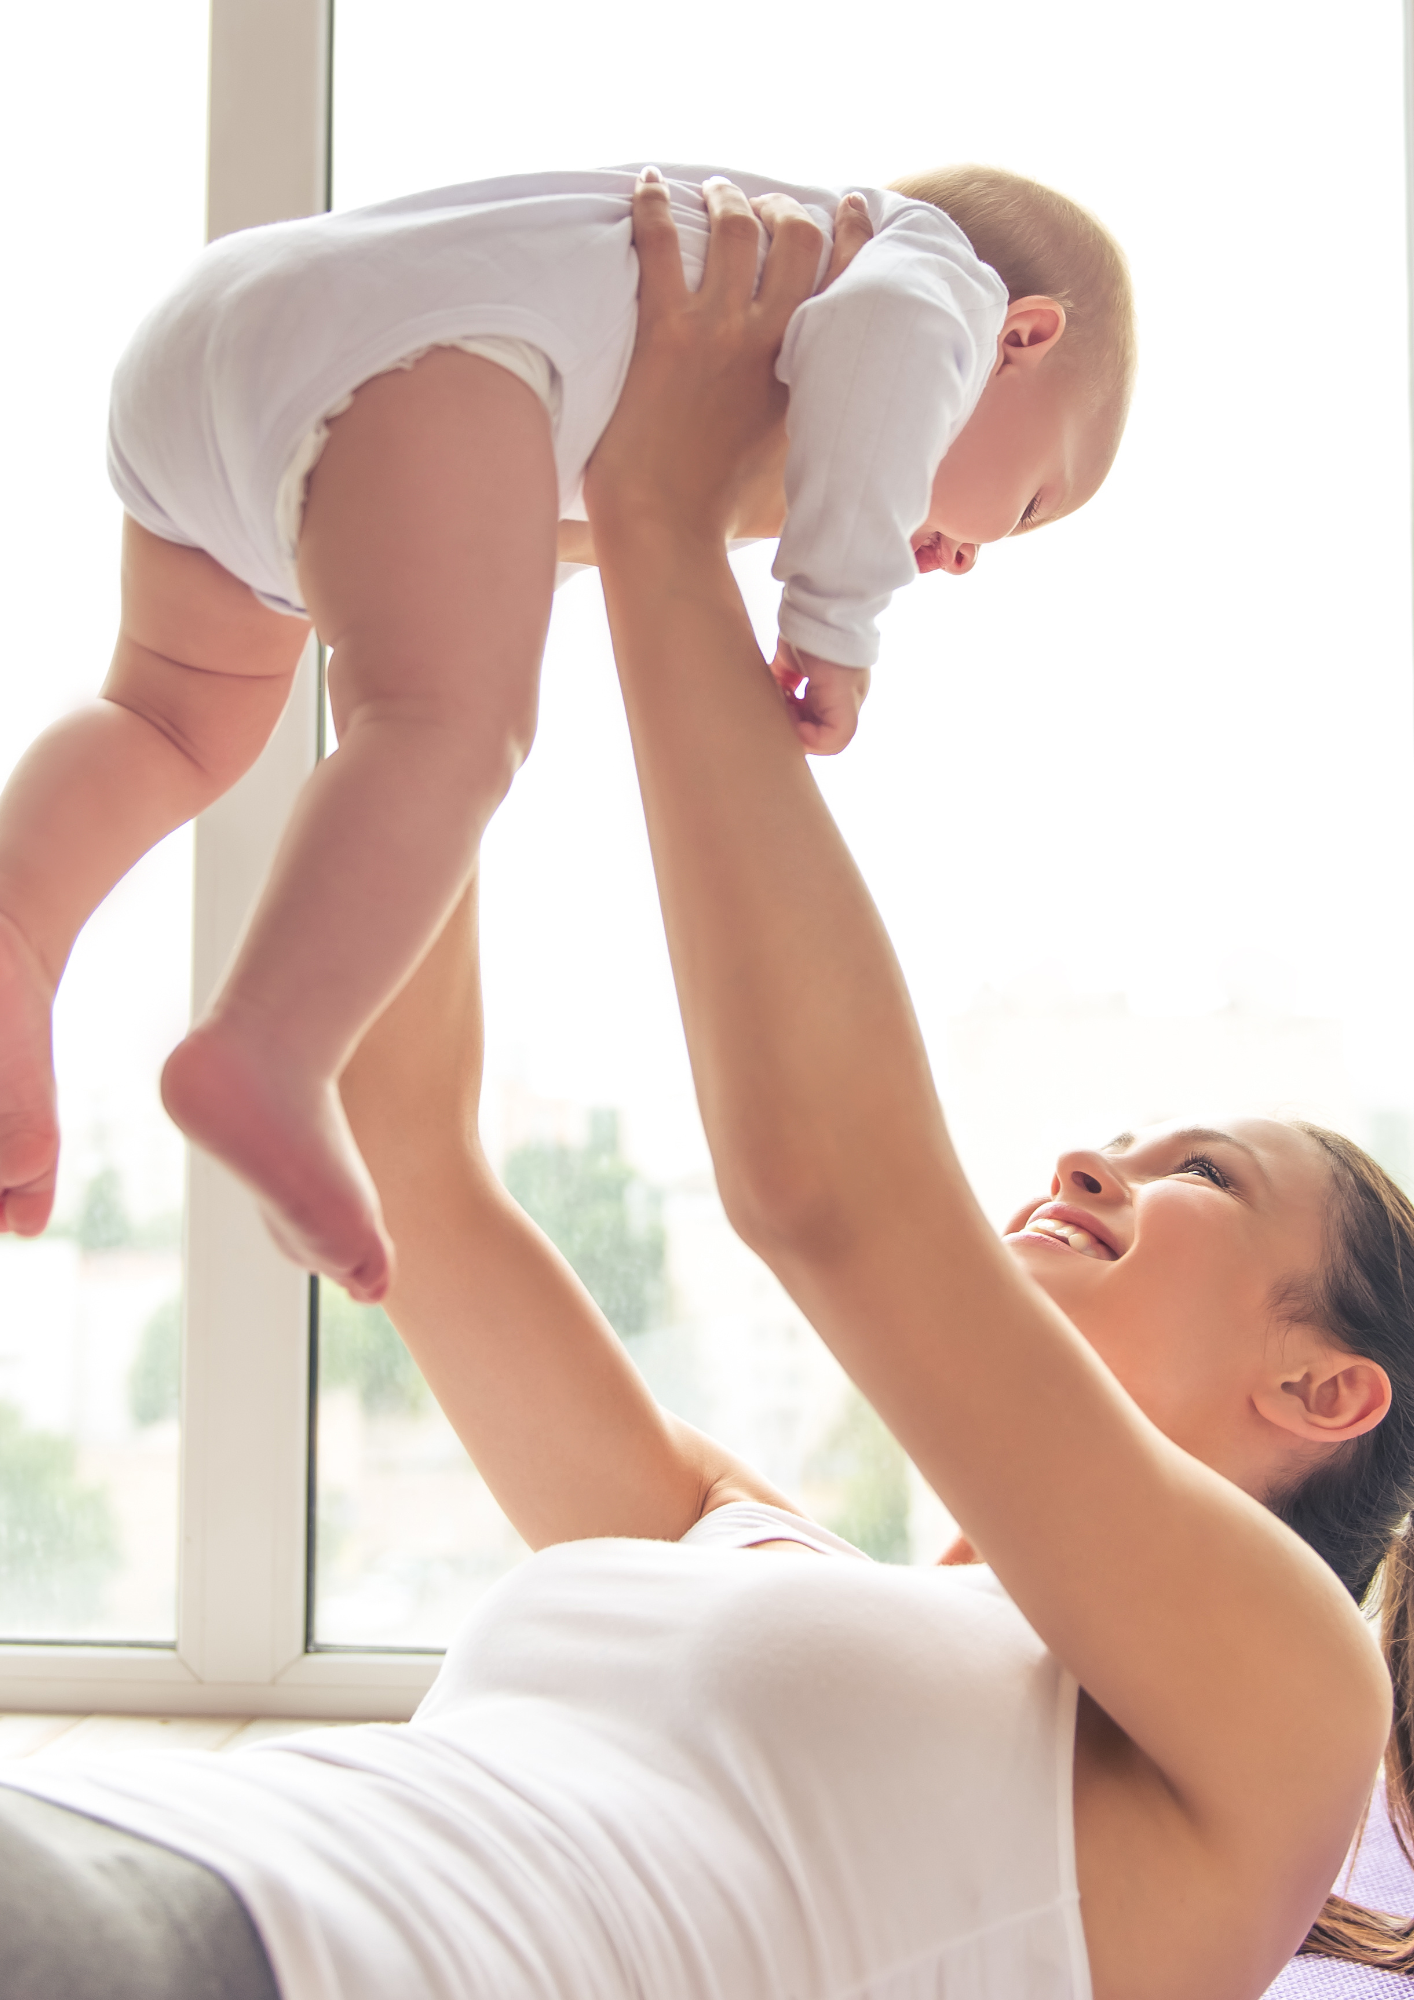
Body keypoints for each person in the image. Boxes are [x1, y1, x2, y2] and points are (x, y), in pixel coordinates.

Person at [1, 175, 1412, 2000]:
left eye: (1199, 1176)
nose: (1087, 1159)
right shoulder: (728, 1539)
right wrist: (468, 537)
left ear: (1323, 1387)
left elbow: (832, 1198)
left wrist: (668, 519)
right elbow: (411, 1162)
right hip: (127, 1851)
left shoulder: (1283, 1714)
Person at [0, 157, 1134, 1307]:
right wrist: (833, 619)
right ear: (1021, 338)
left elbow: (534, 528)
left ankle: (15, 936)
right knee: (447, 724)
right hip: (413, 349)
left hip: (214, 345)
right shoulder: (930, 280)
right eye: (1029, 505)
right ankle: (271, 1042)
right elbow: (886, 352)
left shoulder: (751, 335)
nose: (970, 556)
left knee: (165, 719)